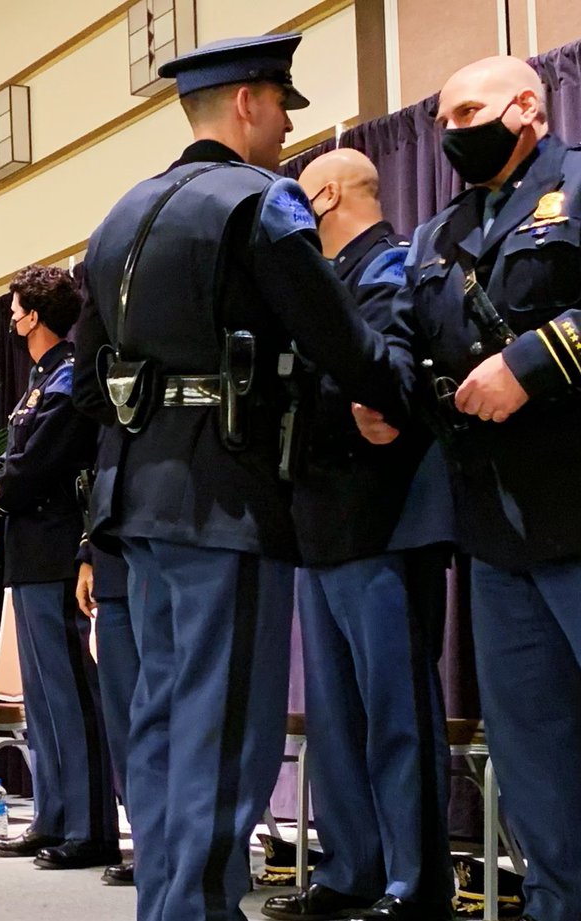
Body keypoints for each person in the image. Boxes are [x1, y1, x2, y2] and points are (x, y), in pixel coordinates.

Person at [74, 33, 409, 921]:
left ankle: (167, 903)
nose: (285, 131)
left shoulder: (118, 219)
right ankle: (201, 910)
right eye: (280, 109)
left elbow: (87, 380)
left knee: (160, 720)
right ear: (249, 103)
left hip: (137, 500)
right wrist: (390, 392)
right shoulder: (260, 203)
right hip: (228, 496)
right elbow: (336, 333)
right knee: (226, 726)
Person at [353, 55, 581, 921]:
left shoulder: (578, 187)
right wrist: (384, 402)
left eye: (469, 113)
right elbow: (409, 343)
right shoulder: (434, 237)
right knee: (532, 755)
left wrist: (532, 362)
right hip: (494, 527)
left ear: (528, 107)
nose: (451, 132)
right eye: (441, 119)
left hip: (575, 498)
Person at [260, 149, 454, 921]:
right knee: (337, 718)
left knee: (396, 710)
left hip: (384, 520)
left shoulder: (390, 267)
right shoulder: (331, 282)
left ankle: (413, 880)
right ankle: (352, 867)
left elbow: (379, 376)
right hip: (324, 523)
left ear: (329, 194)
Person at [0, 264, 118, 871]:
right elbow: (13, 457)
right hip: (30, 553)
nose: (9, 320)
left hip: (58, 550)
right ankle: (53, 816)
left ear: (33, 316)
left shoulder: (68, 376)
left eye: (14, 311)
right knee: (43, 699)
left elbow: (37, 464)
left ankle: (88, 827)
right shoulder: (39, 380)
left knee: (70, 694)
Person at [75, 536, 137, 885]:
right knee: (125, 726)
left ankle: (195, 851)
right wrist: (89, 555)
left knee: (177, 720)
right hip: (112, 569)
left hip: (170, 557)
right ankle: (149, 844)